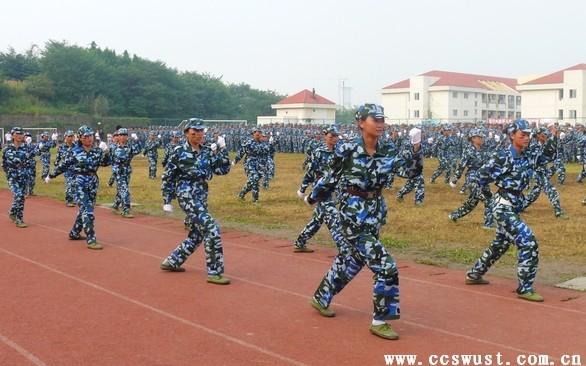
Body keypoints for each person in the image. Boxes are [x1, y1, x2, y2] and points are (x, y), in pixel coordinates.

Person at [305, 104, 422, 340]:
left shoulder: (387, 148)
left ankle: (321, 297)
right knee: (385, 265)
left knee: (353, 260)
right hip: (352, 214)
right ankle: (380, 320)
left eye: (382, 119)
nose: (380, 123)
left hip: (375, 212)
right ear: (361, 122)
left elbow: (410, 172)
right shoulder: (346, 149)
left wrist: (417, 149)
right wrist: (313, 197)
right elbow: (330, 177)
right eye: (375, 119)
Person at [466, 119, 543, 302]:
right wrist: (489, 200)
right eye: (522, 135)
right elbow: (479, 178)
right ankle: (525, 288)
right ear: (512, 135)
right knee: (528, 241)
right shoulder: (501, 157)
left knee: (500, 244)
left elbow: (546, 157)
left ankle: (475, 274)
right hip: (502, 207)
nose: (526, 138)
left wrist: (549, 138)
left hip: (514, 206)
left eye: (528, 135)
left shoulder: (526, 155)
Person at [159, 119, 232, 285]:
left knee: (198, 234)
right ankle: (215, 272)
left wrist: (223, 150)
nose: (198, 134)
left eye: (201, 131)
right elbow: (168, 177)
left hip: (201, 195)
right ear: (186, 133)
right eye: (194, 132)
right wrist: (167, 200)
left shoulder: (207, 151)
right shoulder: (178, 152)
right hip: (186, 194)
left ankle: (173, 261)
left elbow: (222, 170)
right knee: (211, 227)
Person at [46, 126, 111, 250]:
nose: (89, 138)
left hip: (92, 182)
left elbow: (105, 163)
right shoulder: (74, 151)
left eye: (90, 135)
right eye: (85, 136)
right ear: (80, 138)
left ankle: (74, 232)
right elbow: (63, 165)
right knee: (87, 211)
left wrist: (106, 152)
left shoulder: (97, 151)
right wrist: (51, 175)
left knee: (86, 208)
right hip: (78, 182)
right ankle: (91, 238)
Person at [293, 126, 348, 253]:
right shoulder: (319, 152)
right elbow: (310, 172)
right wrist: (302, 188)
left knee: (319, 218)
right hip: (322, 189)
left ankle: (300, 242)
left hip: (337, 189)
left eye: (336, 136)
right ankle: (344, 249)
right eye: (331, 136)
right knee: (333, 216)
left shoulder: (341, 151)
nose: (334, 138)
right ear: (325, 136)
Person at [448, 128, 493, 228]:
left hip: (484, 178)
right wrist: (455, 179)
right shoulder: (468, 151)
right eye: (479, 137)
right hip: (472, 178)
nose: (482, 139)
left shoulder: (484, 150)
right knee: (487, 199)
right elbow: (461, 166)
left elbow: (490, 164)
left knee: (472, 202)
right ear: (473, 138)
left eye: (482, 137)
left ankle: (454, 215)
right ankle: (488, 224)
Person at [110, 128, 142, 218]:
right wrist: (113, 173)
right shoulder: (113, 147)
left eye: (125, 135)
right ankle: (126, 209)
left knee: (122, 189)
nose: (123, 137)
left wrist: (137, 140)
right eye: (121, 135)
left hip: (126, 170)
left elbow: (139, 150)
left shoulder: (130, 147)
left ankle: (116, 204)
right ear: (118, 136)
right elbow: (111, 160)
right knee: (125, 190)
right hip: (118, 171)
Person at [2, 127, 29, 228]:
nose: (19, 136)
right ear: (12, 135)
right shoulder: (6, 149)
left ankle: (12, 212)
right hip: (12, 178)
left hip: (23, 177)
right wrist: (9, 174)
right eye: (17, 134)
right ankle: (19, 219)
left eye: (21, 134)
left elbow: (29, 163)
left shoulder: (26, 148)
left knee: (21, 198)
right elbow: (4, 164)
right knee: (19, 196)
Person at [234, 127, 270, 203]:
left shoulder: (264, 143)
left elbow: (267, 153)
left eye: (260, 132)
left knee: (252, 181)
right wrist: (235, 161)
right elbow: (241, 152)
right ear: (253, 134)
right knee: (255, 178)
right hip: (250, 163)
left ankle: (241, 194)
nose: (258, 134)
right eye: (257, 132)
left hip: (260, 165)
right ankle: (255, 200)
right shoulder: (248, 143)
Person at [54, 130, 77, 207]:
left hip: (77, 169)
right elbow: (58, 158)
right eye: (69, 136)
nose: (70, 138)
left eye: (72, 136)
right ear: (65, 137)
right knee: (70, 183)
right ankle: (69, 200)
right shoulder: (62, 147)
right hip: (67, 169)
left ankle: (74, 198)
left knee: (76, 184)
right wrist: (57, 165)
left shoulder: (77, 146)